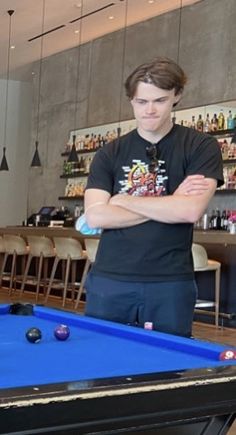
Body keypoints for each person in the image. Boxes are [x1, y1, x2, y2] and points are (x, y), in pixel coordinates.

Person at [77, 57, 224, 337]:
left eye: (160, 100)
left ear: (176, 96)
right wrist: (171, 201)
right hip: (110, 279)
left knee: (167, 372)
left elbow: (189, 212)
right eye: (141, 102)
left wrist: (123, 200)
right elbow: (96, 216)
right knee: (100, 366)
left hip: (170, 282)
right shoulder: (109, 153)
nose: (150, 110)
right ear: (131, 100)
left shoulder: (201, 147)